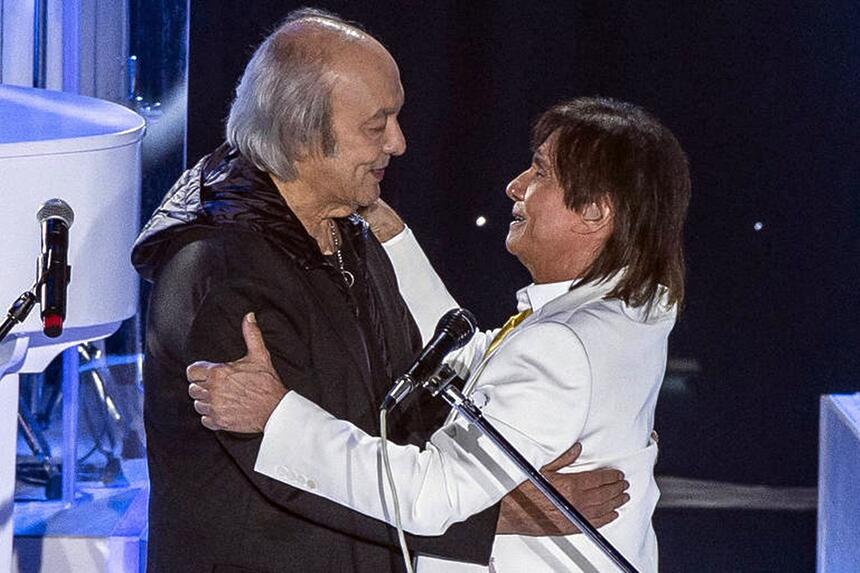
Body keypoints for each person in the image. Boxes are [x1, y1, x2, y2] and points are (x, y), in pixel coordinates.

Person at [134, 8, 627, 573]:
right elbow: (285, 471)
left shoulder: (350, 237)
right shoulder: (219, 271)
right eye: (377, 124)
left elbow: (405, 405)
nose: (399, 142)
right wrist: (494, 516)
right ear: (300, 131)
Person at [187, 96, 691, 572]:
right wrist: (396, 241)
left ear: (595, 212)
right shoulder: (635, 309)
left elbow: (429, 496)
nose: (515, 186)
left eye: (540, 172)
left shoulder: (563, 346)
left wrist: (277, 416)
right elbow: (480, 360)